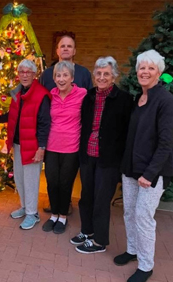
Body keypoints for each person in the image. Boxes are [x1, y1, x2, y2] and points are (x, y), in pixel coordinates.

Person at [114, 50, 173, 282]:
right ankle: (133, 250)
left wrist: (149, 173)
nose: (144, 72)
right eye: (141, 68)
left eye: (150, 68)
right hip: (131, 168)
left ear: (159, 73)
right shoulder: (139, 98)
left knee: (143, 216)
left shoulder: (165, 100)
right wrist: (125, 167)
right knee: (129, 212)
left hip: (152, 173)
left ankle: (146, 265)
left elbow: (167, 142)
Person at [70, 56, 133, 254]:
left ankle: (99, 241)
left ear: (114, 76)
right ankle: (86, 231)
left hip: (109, 159)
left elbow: (127, 133)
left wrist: (122, 160)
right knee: (86, 196)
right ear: (94, 76)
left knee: (101, 200)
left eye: (107, 74)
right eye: (99, 73)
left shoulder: (124, 99)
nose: (102, 77)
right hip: (88, 155)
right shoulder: (88, 97)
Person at [39, 31, 93, 214]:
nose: (66, 49)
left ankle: (65, 206)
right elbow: (41, 103)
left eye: (69, 46)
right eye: (63, 46)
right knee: (53, 178)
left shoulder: (84, 74)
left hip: (73, 137)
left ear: (75, 50)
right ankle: (57, 207)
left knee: (66, 178)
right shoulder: (47, 74)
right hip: (52, 138)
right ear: (57, 50)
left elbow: (89, 107)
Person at [42, 61, 86, 234]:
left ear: (72, 78)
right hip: (52, 146)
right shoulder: (50, 95)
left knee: (65, 183)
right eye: (58, 76)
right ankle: (53, 215)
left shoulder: (81, 94)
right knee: (52, 182)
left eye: (65, 75)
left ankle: (62, 216)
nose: (61, 79)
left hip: (72, 147)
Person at [8, 59, 51, 230]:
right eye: (22, 72)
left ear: (34, 75)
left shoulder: (41, 94)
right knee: (20, 178)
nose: (24, 75)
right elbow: (14, 116)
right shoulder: (18, 93)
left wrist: (41, 148)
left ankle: (32, 214)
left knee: (31, 180)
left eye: (28, 72)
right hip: (18, 143)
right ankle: (25, 207)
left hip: (33, 146)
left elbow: (44, 124)